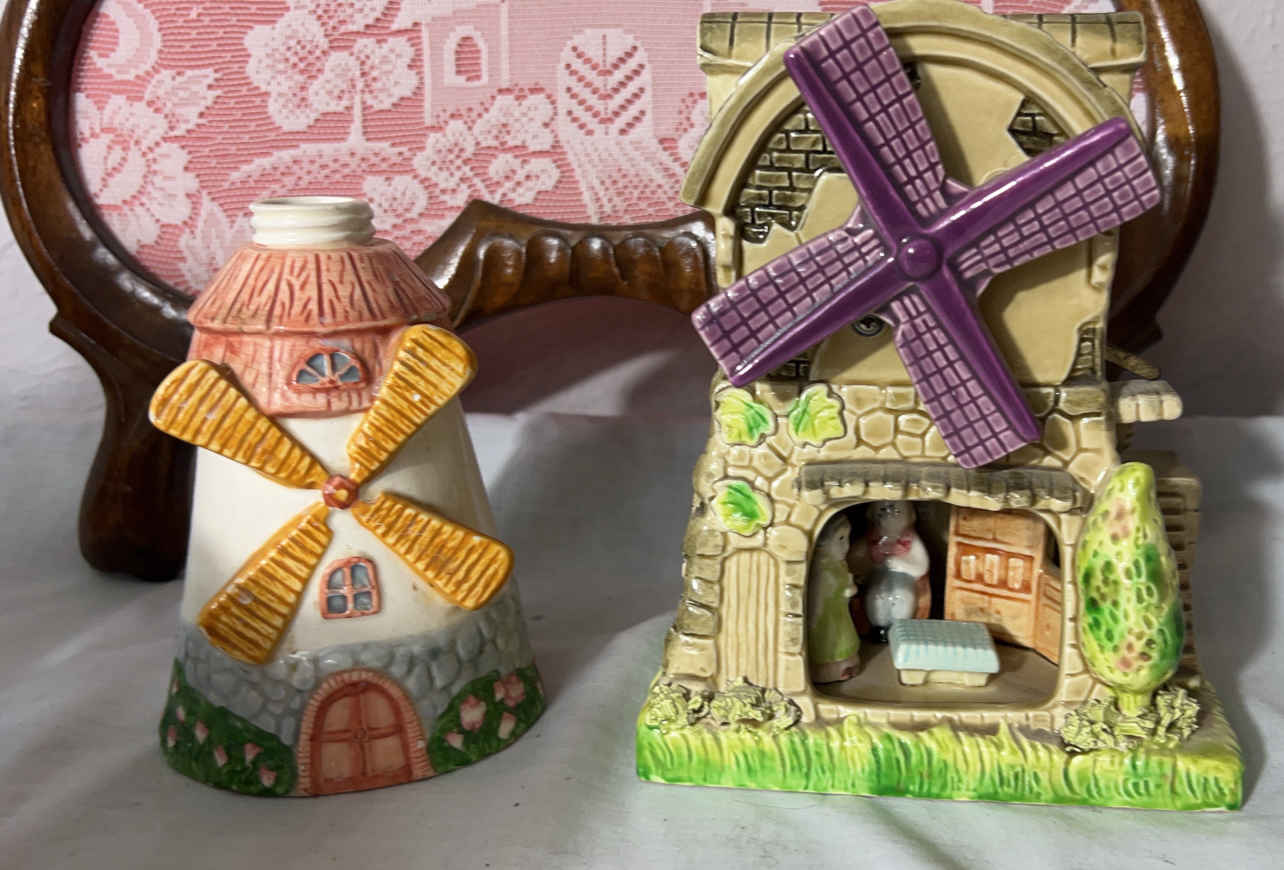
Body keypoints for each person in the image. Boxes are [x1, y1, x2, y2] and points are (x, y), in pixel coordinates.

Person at [862, 501, 929, 642]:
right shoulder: (872, 540)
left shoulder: (911, 541)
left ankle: (900, 629)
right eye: (881, 512)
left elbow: (922, 566)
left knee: (902, 597)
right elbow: (856, 560)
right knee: (876, 597)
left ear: (910, 516)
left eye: (897, 512)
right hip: (878, 579)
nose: (888, 517)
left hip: (904, 580)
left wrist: (901, 565)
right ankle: (880, 628)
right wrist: (869, 564)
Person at [806, 516, 862, 683]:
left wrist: (849, 589)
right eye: (840, 539)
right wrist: (813, 620)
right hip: (825, 618)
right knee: (829, 644)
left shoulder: (838, 565)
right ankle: (828, 670)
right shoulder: (821, 571)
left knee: (844, 639)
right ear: (821, 543)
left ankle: (845, 665)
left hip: (839, 614)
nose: (846, 546)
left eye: (847, 538)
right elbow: (817, 597)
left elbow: (844, 585)